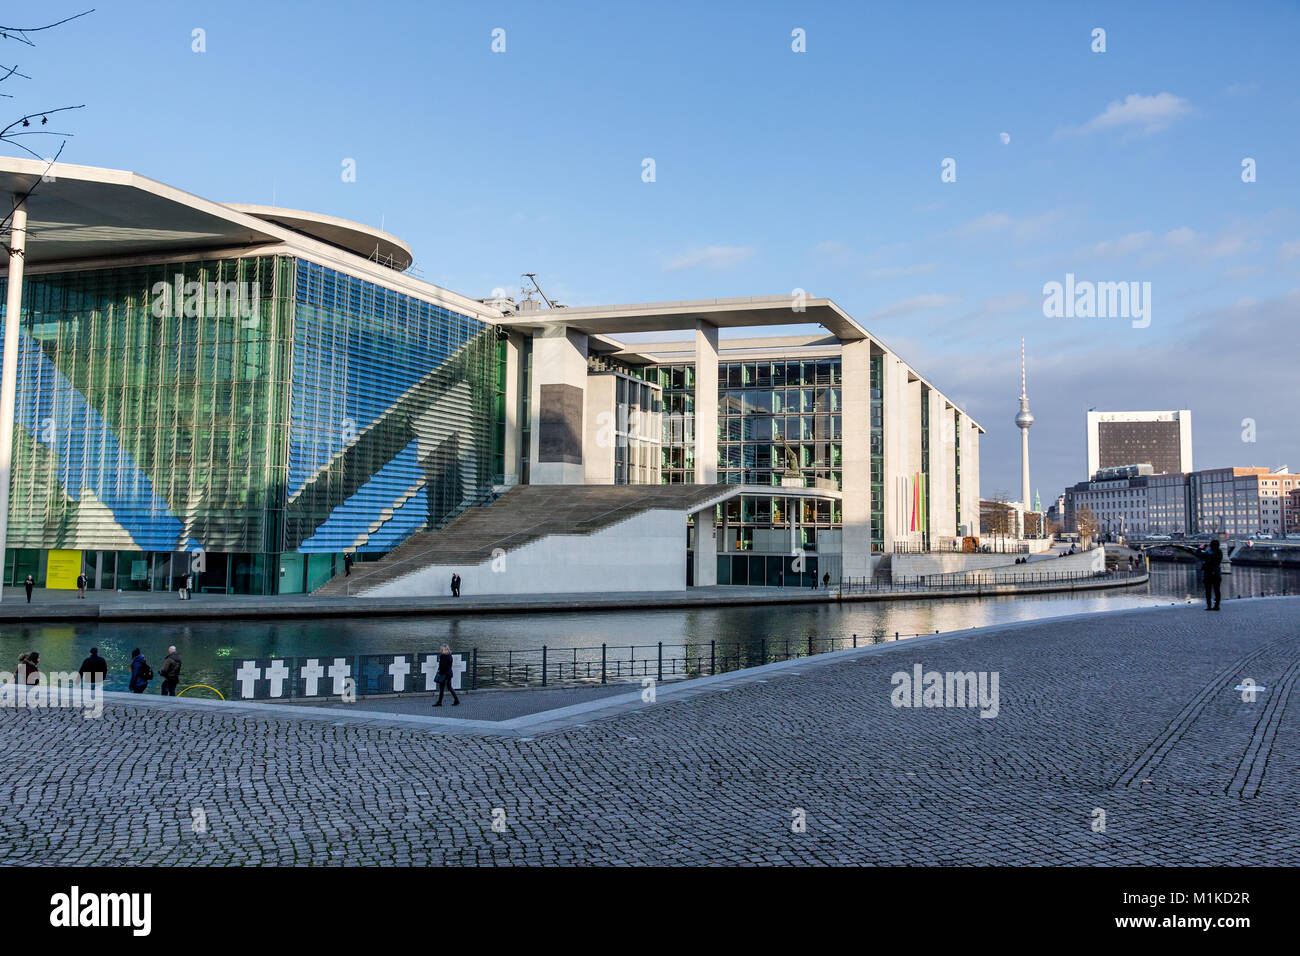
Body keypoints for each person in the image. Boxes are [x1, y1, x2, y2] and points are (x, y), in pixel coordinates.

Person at [1177, 539, 1223, 610]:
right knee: (1217, 590)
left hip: (1208, 574)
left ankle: (1209, 606)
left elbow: (1198, 554)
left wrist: (1200, 548)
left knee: (1208, 590)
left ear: (1211, 546)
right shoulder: (1220, 553)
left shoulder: (1208, 553)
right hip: (1217, 573)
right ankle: (1217, 605)